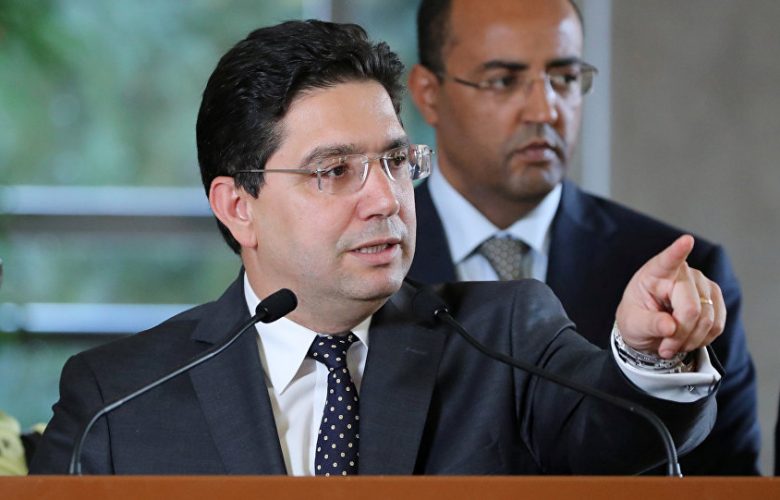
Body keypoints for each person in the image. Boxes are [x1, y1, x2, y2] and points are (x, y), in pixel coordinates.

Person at [30, 19, 723, 476]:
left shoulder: (503, 337)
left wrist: (650, 354)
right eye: (335, 171)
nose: (387, 199)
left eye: (394, 161)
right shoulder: (118, 398)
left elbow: (624, 437)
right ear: (239, 207)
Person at [406, 0, 759, 475]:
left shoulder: (678, 278)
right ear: (428, 93)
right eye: (504, 80)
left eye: (565, 78)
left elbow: (727, 482)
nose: (545, 109)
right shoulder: (364, 266)